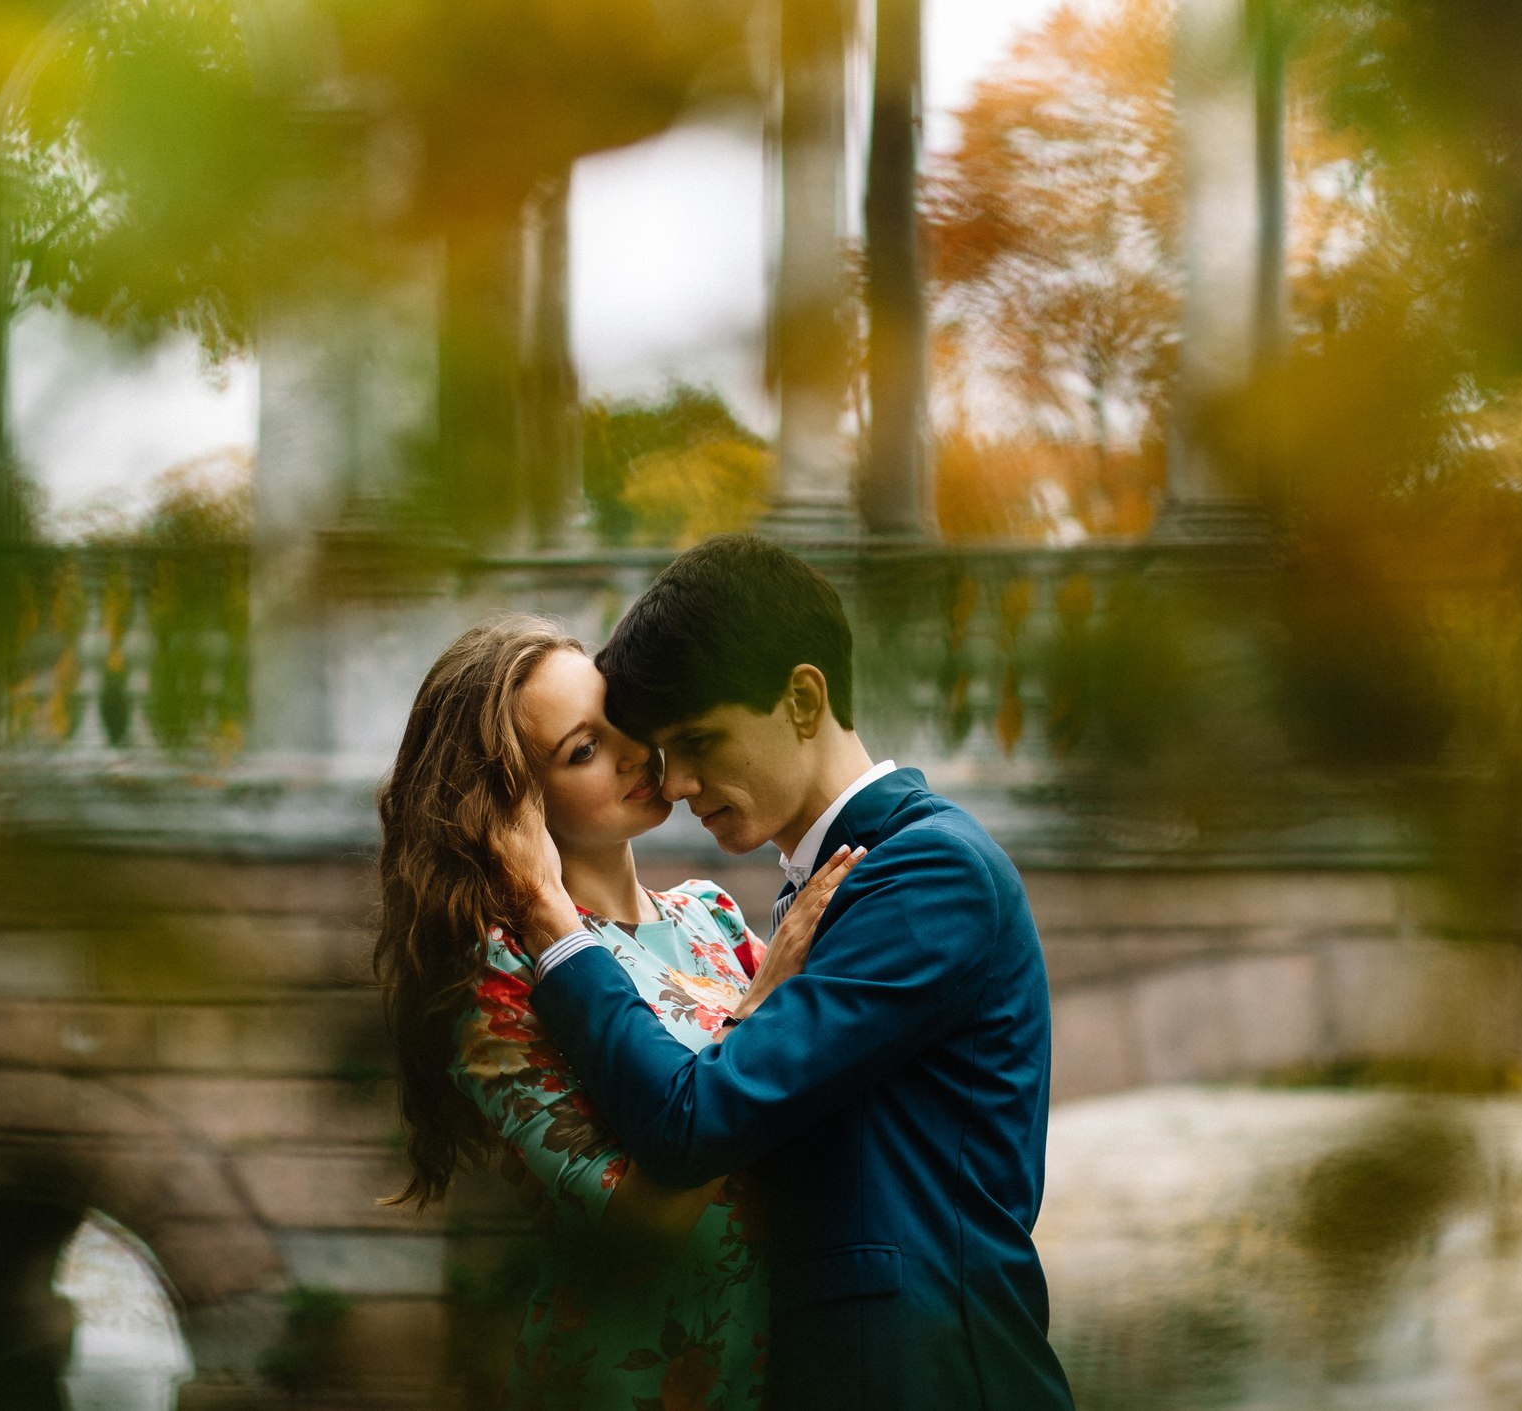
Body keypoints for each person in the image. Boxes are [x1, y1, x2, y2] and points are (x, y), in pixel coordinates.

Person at [502, 536, 1077, 1411]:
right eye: (662, 748)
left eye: (699, 740)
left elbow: (692, 1124)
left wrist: (554, 930)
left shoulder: (930, 876)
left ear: (803, 699)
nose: (679, 781)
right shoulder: (823, 890)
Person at [372, 614, 859, 1411]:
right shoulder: (502, 975)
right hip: (621, 1382)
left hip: (777, 1374)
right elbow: (642, 1226)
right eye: (583, 750)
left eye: (619, 719)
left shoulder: (713, 919)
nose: (635, 750)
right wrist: (764, 1006)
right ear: (513, 806)